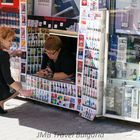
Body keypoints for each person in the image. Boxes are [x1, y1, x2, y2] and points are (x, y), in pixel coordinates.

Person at [0, 26, 33, 114]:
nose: (11, 44)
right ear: (1, 40)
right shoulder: (3, 55)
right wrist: (22, 91)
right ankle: (1, 102)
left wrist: (13, 54)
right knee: (18, 85)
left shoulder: (3, 55)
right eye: (9, 41)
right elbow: (8, 79)